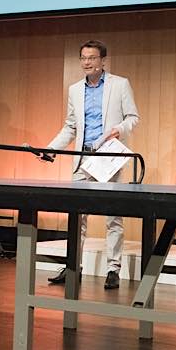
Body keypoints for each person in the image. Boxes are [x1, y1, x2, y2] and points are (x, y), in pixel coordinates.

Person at [45, 39, 140, 290]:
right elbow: (71, 126)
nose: (87, 62)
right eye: (84, 58)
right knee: (77, 215)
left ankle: (113, 269)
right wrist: (51, 149)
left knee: (113, 216)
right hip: (83, 158)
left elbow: (133, 117)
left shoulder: (120, 84)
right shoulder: (75, 89)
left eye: (92, 58)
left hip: (108, 157)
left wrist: (119, 129)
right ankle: (73, 265)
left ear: (102, 61)